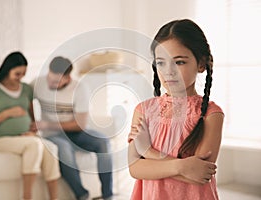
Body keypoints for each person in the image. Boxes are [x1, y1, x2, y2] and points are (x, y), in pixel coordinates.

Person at [127, 19, 224, 200]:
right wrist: (182, 167)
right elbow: (135, 168)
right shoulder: (143, 110)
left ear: (201, 64)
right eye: (161, 63)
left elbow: (200, 175)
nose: (168, 71)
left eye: (179, 62)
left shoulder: (212, 114)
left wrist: (149, 153)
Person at [0, 51, 61, 200]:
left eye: (23, 74)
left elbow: (32, 121)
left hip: (25, 139)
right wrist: (6, 114)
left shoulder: (27, 89)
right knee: (34, 145)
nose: (21, 77)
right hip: (0, 140)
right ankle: (26, 197)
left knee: (51, 148)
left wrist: (33, 132)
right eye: (17, 74)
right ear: (7, 70)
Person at [30, 56, 113, 200]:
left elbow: (80, 125)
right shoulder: (38, 83)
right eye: (50, 78)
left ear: (67, 78)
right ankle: (82, 195)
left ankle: (108, 195)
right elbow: (21, 95)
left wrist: (46, 124)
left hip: (76, 133)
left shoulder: (80, 89)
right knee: (64, 148)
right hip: (52, 135)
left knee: (103, 142)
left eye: (56, 81)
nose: (51, 83)